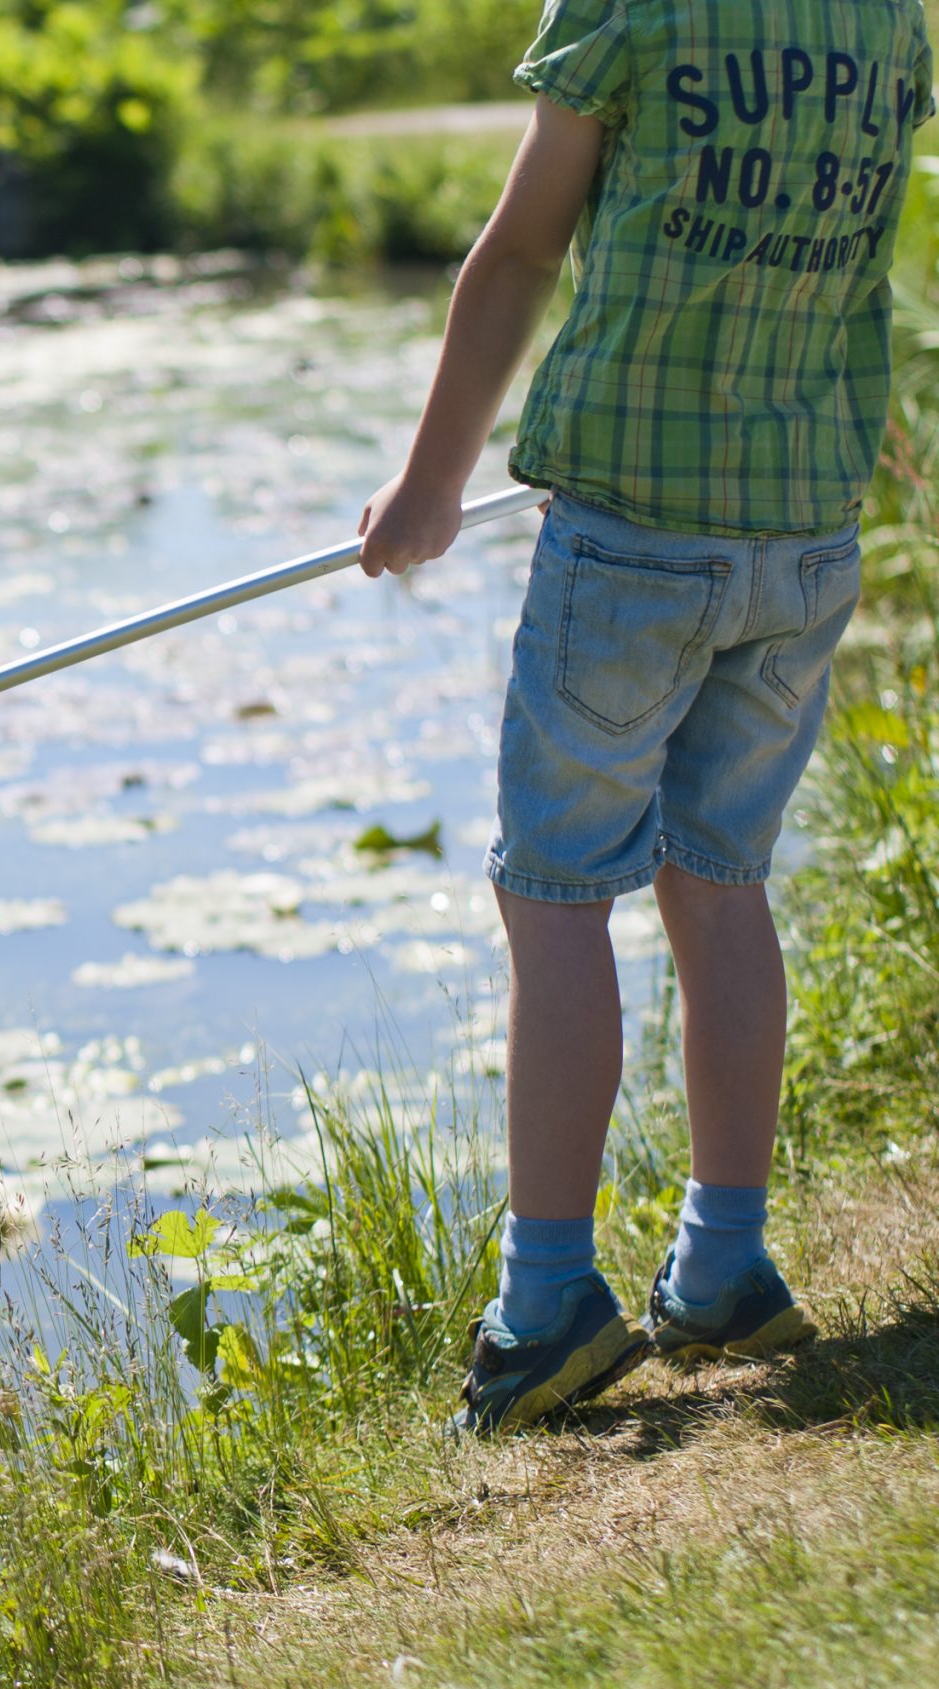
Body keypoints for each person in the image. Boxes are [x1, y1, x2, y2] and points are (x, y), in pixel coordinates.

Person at [357, 0, 936, 1434]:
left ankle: (547, 1304)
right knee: (720, 878)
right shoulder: (888, 22)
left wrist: (433, 484)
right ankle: (724, 1264)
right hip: (803, 542)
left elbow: (520, 250)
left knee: (557, 896)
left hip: (631, 539)